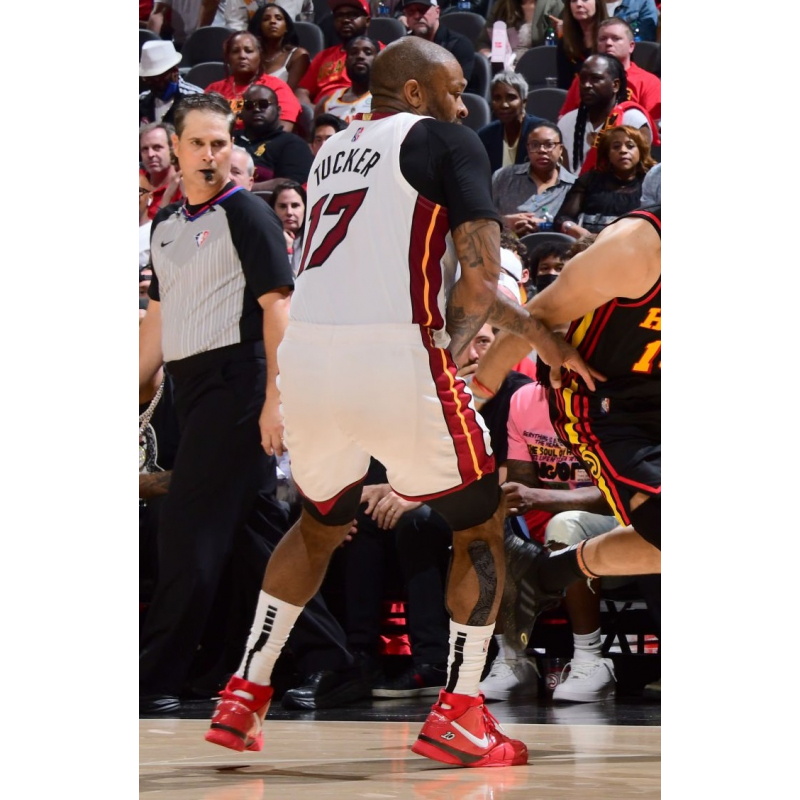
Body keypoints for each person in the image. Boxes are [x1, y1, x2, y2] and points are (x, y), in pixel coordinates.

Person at [204, 35, 599, 768]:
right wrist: (461, 348)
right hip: (395, 353)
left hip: (310, 360)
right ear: (416, 93)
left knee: (319, 524)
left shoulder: (331, 150)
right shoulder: (445, 139)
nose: (464, 106)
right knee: (480, 520)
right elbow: (478, 279)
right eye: (452, 90)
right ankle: (461, 712)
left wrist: (527, 332)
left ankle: (244, 691)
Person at [138, 92, 295, 714]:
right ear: (173, 149)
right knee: (254, 538)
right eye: (198, 143)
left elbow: (279, 308)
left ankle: (156, 678)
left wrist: (274, 398)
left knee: (186, 533)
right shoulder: (165, 226)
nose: (210, 155)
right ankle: (326, 659)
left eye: (220, 143)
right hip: (191, 387)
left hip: (238, 383)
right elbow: (157, 323)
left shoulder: (247, 214)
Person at [470, 205, 661, 653]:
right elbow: (535, 315)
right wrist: (474, 398)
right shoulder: (638, 248)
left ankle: (543, 573)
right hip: (608, 405)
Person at [558, 53, 657, 174]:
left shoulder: (633, 120)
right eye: (583, 79)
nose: (586, 85)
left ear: (615, 85)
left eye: (595, 79)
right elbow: (563, 175)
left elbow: (643, 173)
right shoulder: (566, 121)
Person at [558, 17, 661, 128]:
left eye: (616, 38)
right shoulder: (583, 80)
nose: (608, 43)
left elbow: (654, 127)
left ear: (631, 46)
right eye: (602, 39)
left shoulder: (649, 82)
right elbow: (565, 121)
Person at [555, 124, 654, 238]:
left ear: (641, 151)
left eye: (630, 146)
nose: (623, 150)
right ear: (607, 154)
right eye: (616, 147)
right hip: (591, 244)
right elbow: (562, 218)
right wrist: (574, 229)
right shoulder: (590, 180)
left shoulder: (651, 182)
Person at [491, 121, 576, 236]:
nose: (542, 150)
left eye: (549, 145)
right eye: (535, 145)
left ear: (560, 149)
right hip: (506, 244)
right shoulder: (504, 176)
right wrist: (505, 222)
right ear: (527, 148)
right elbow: (481, 218)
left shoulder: (573, 186)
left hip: (554, 246)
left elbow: (578, 230)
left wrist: (545, 226)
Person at [204, 31, 302, 132]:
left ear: (260, 55)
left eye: (249, 51)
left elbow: (283, 130)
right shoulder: (214, 89)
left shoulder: (277, 87)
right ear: (228, 58)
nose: (242, 56)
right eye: (235, 51)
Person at [233, 84, 314, 190]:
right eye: (249, 105)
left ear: (278, 110)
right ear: (242, 112)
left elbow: (292, 185)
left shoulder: (292, 144)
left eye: (263, 104)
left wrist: (241, 189)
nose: (256, 109)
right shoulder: (230, 138)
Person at [296, 0, 373, 106]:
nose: (345, 20)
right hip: (322, 112)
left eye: (352, 15)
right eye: (339, 16)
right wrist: (312, 111)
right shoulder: (323, 56)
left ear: (367, 21)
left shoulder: (381, 53)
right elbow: (302, 91)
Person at [476, 72, 547, 175]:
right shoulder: (485, 136)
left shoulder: (541, 133)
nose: (504, 105)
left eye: (511, 97)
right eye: (497, 98)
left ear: (524, 102)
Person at [403, 0, 475, 89]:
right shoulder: (402, 47)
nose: (417, 16)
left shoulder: (459, 45)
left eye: (422, 10)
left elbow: (457, 88)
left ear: (437, 11)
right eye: (410, 12)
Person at [247, 3, 312, 91]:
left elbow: (290, 94)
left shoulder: (298, 55)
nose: (273, 21)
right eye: (266, 19)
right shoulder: (251, 55)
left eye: (278, 18)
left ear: (286, 27)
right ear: (259, 27)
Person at [139, 40, 204, 127]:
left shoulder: (197, 99)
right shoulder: (141, 100)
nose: (152, 83)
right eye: (147, 79)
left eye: (157, 77)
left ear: (174, 72)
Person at [314, 35, 377, 123]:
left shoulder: (385, 101)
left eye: (368, 53)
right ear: (346, 62)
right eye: (354, 53)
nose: (360, 56)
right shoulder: (326, 103)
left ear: (378, 61)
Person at [477, 0, 565, 62]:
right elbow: (483, 43)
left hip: (539, 67)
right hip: (505, 69)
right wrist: (492, 58)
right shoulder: (502, 5)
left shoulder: (554, 5)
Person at [555, 0, 608, 90]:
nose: (578, 4)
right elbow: (564, 86)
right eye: (574, 0)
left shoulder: (611, 38)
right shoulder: (565, 42)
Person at [139, 123, 183, 224]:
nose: (150, 154)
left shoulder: (183, 188)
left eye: (157, 147)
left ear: (173, 149)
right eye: (145, 149)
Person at [268, 180, 307, 276]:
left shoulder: (316, 241)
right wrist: (287, 250)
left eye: (295, 205)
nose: (289, 212)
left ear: (306, 208)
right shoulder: (265, 240)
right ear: (273, 210)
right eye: (282, 206)